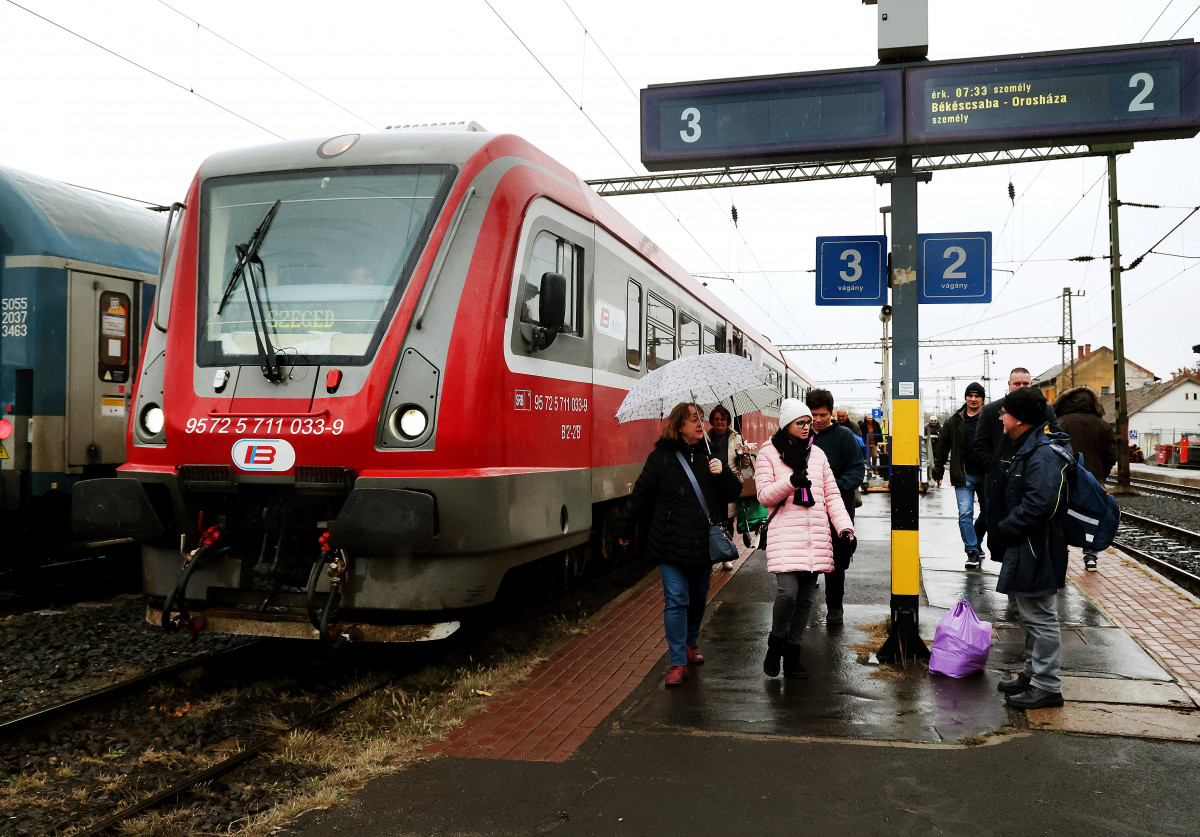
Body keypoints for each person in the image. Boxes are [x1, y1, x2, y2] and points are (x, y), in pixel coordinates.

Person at [616, 403, 742, 687]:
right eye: (693, 419)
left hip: (701, 543)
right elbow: (641, 495)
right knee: (676, 600)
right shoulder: (661, 457)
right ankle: (677, 662)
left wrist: (722, 472)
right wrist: (624, 526)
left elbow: (735, 491)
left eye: (701, 419)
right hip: (669, 541)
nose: (701, 423)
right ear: (679, 426)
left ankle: (690, 643)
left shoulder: (713, 453)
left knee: (698, 599)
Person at [755, 399, 855, 679]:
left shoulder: (819, 455)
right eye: (801, 423)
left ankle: (794, 651)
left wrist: (845, 529)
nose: (806, 428)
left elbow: (832, 497)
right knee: (787, 594)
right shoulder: (768, 453)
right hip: (785, 534)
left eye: (808, 423)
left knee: (806, 600)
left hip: (815, 537)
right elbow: (763, 495)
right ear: (786, 424)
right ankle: (776, 643)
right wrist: (791, 483)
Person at [992, 387, 1071, 710]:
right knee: (1027, 613)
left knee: (1039, 615)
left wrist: (1007, 528)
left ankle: (1047, 686)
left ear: (1020, 419)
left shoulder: (1042, 453)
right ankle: (1033, 673)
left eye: (1005, 412)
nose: (1000, 416)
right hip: (1027, 544)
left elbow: (1041, 504)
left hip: (1035, 545)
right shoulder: (1029, 445)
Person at [975, 368, 1061, 560]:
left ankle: (1018, 574)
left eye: (1026, 383)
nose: (1022, 387)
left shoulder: (1044, 410)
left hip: (1030, 480)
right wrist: (994, 466)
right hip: (999, 482)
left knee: (1027, 531)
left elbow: (1059, 437)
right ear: (1009, 385)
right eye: (1017, 383)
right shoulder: (991, 410)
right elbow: (980, 444)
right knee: (999, 528)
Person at [806, 389, 866, 626]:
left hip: (838, 507)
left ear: (831, 413)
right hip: (808, 509)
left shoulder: (844, 436)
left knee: (836, 560)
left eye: (823, 415)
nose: (818, 420)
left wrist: (833, 488)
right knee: (808, 557)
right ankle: (805, 605)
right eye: (814, 415)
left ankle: (834, 608)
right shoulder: (803, 435)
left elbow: (857, 470)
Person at [1052, 385, 1117, 571]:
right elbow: (1111, 455)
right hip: (1094, 479)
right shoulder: (1103, 425)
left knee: (1062, 514)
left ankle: (1061, 553)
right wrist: (1101, 474)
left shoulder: (1060, 422)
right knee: (1093, 515)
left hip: (1065, 479)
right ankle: (1090, 557)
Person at [931, 383, 988, 568]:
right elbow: (942, 447)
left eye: (977, 396)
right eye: (970, 395)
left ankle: (977, 542)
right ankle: (971, 550)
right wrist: (938, 470)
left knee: (988, 513)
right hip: (963, 475)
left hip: (987, 475)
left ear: (982, 399)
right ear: (965, 398)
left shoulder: (990, 418)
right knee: (965, 513)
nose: (973, 399)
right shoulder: (954, 421)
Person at [708, 405, 745, 571]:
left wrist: (744, 454)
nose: (719, 422)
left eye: (722, 419)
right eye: (716, 419)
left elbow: (744, 465)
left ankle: (726, 556)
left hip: (729, 483)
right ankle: (712, 554)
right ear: (712, 421)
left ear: (727, 420)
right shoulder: (706, 438)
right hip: (711, 485)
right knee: (712, 519)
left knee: (727, 519)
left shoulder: (736, 438)